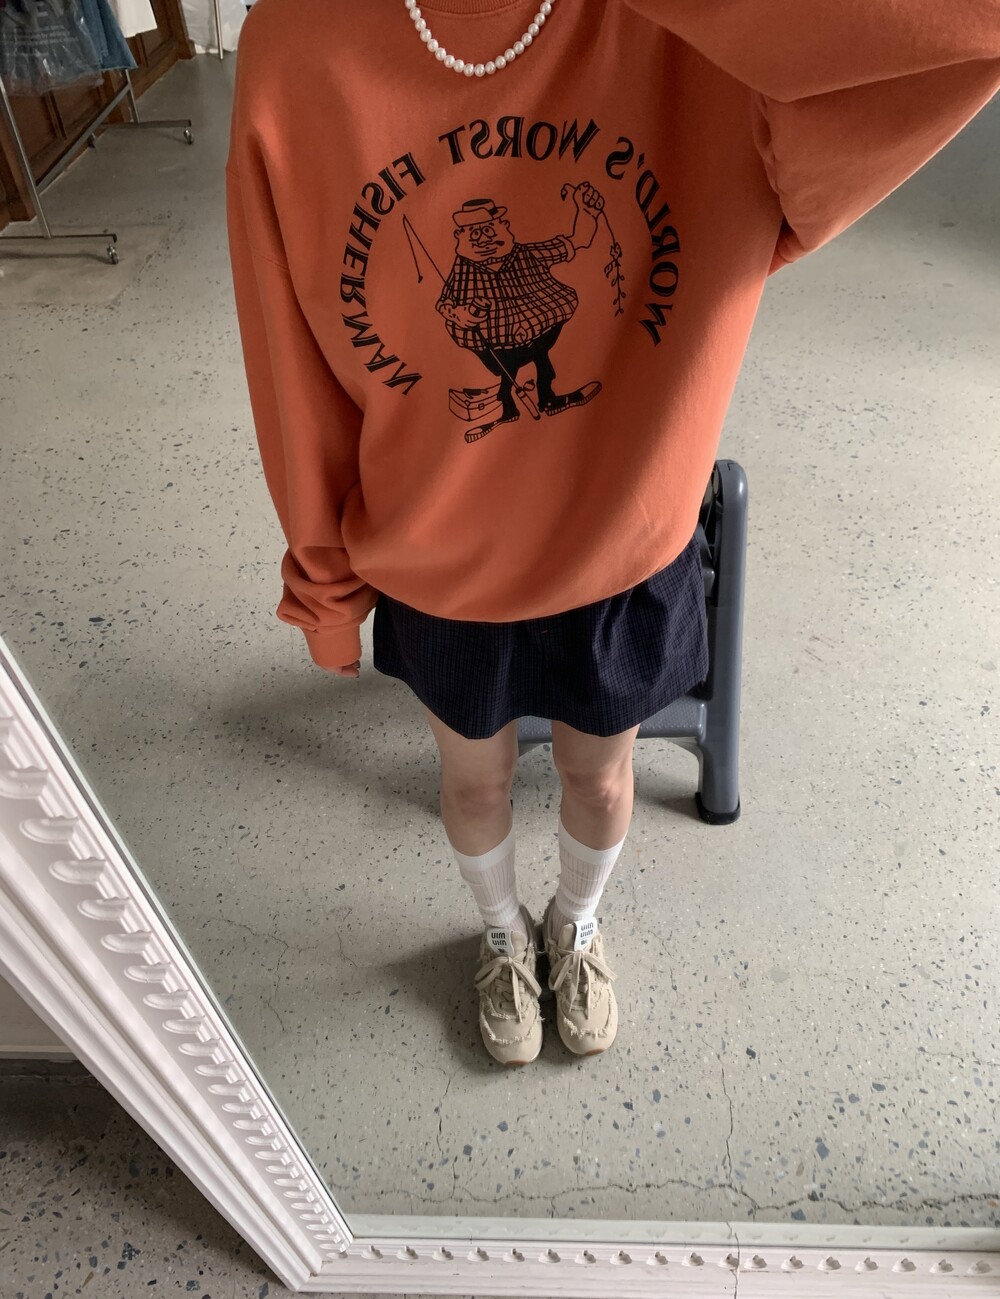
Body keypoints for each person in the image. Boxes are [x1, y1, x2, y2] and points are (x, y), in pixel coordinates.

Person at [226, 0, 1000, 1068]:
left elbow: (966, 29)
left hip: (622, 546)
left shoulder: (702, 37)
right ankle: (501, 933)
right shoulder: (299, 45)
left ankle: (575, 923)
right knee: (474, 782)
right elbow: (288, 356)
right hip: (441, 561)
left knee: (599, 778)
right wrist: (324, 589)